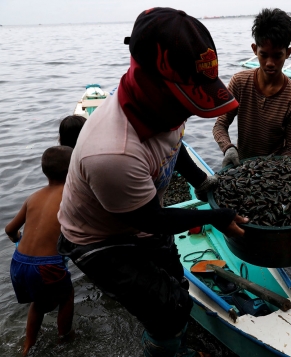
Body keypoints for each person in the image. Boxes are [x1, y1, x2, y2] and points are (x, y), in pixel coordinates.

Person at [56, 8, 248, 357]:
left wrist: (202, 181)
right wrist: (213, 217)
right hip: (98, 239)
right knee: (168, 311)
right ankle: (161, 349)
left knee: (176, 284)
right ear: (148, 83)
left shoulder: (163, 107)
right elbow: (152, 220)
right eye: (185, 101)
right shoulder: (112, 152)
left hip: (140, 215)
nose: (189, 112)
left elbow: (176, 146)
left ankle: (168, 337)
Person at [213, 8, 291, 168]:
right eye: (263, 55)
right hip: (241, 167)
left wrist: (276, 167)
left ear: (288, 52)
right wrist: (228, 148)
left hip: (274, 172)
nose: (270, 62)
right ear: (255, 49)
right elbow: (220, 125)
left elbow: (290, 148)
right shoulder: (239, 83)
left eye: (277, 56)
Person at [6, 146, 75, 357]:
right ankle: (64, 339)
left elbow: (10, 229)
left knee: (38, 303)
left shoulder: (33, 196)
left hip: (18, 262)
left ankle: (27, 346)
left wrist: (19, 240)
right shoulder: (69, 196)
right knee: (67, 295)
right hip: (47, 265)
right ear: (73, 169)